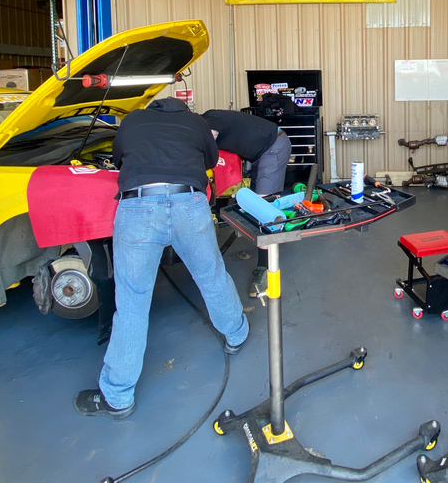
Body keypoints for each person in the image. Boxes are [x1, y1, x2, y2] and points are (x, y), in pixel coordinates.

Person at [75, 98, 248, 419]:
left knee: (132, 301)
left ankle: (117, 395)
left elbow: (118, 158)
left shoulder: (132, 121)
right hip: (188, 203)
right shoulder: (196, 121)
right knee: (211, 275)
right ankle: (236, 334)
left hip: (138, 205)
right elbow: (210, 159)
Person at [202, 109, 292, 298]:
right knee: (255, 204)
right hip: (260, 151)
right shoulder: (208, 118)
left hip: (273, 147)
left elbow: (206, 149)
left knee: (264, 210)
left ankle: (264, 270)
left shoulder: (210, 122)